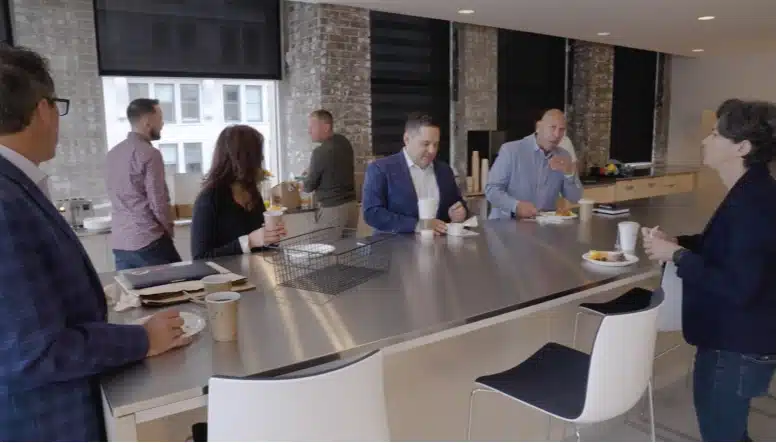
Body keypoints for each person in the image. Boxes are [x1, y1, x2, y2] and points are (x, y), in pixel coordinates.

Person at [0, 44, 190, 441]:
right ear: (43, 109)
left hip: (123, 242)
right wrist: (141, 338)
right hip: (45, 421)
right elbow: (33, 349)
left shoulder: (111, 154)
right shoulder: (6, 198)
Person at [643, 98, 776, 442]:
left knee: (723, 436)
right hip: (741, 343)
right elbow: (728, 249)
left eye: (715, 135)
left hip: (734, 348)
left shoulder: (753, 204)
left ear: (742, 147)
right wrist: (681, 242)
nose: (705, 140)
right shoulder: (753, 191)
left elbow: (737, 286)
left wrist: (677, 257)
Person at [191, 125, 287, 259]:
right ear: (244, 159)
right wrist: (249, 241)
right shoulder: (209, 199)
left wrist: (270, 238)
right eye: (258, 153)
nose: (262, 158)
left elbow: (258, 248)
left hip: (255, 275)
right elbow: (200, 257)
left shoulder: (253, 195)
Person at [362, 112, 467, 234]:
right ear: (406, 139)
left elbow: (457, 202)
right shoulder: (380, 169)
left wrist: (460, 212)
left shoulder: (444, 170)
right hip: (393, 248)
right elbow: (372, 213)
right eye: (425, 144)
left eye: (436, 144)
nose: (432, 151)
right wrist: (417, 225)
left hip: (439, 247)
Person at [106, 98, 180, 270]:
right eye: (160, 118)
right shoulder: (149, 154)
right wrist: (168, 230)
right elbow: (157, 201)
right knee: (181, 287)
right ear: (148, 121)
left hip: (120, 244)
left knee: (133, 295)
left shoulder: (112, 154)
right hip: (149, 240)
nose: (162, 124)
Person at [485, 109, 583, 219]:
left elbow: (575, 198)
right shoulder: (511, 151)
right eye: (552, 127)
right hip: (506, 226)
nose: (557, 135)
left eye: (561, 130)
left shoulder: (564, 156)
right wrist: (515, 206)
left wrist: (569, 173)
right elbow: (491, 190)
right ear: (538, 127)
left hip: (545, 229)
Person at [302, 109, 358, 230]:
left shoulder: (320, 152)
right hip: (352, 207)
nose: (309, 131)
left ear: (326, 127)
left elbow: (308, 186)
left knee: (325, 248)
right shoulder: (344, 142)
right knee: (348, 247)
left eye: (312, 126)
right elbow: (333, 169)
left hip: (332, 209)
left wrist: (305, 178)